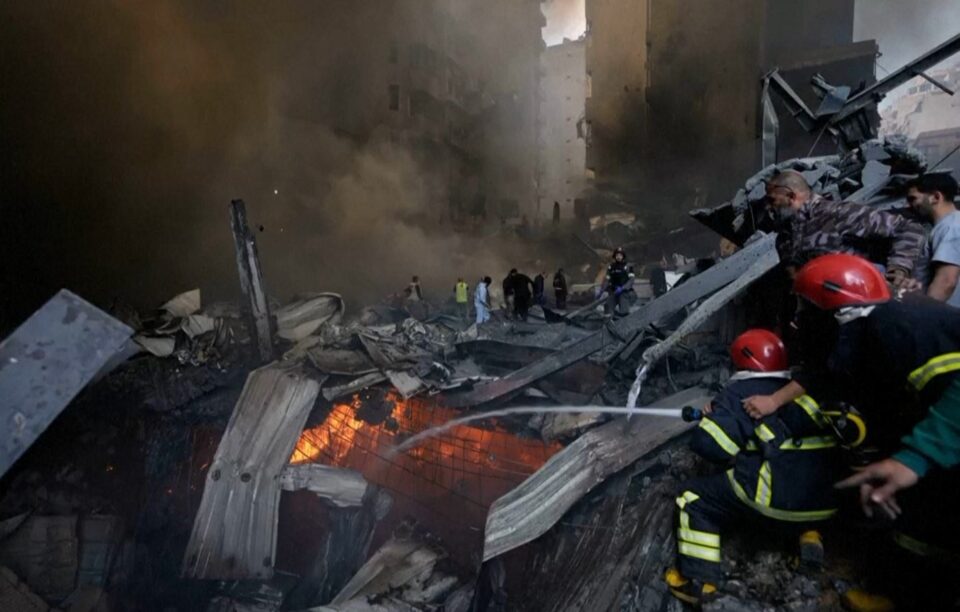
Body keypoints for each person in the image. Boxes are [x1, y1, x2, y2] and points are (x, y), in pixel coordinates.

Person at [665, 330, 841, 606]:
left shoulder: (741, 392)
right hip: (823, 503)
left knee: (693, 499)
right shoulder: (801, 387)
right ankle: (809, 535)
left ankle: (698, 581)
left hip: (775, 500)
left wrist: (712, 420)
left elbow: (711, 447)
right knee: (798, 476)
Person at [765, 170, 924, 288]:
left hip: (861, 303)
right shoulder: (784, 239)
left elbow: (907, 228)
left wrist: (898, 269)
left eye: (772, 200)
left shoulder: (836, 213)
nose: (768, 208)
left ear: (790, 196)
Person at [907, 173, 960, 307]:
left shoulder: (951, 226)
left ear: (936, 197)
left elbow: (946, 280)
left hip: (939, 314)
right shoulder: (946, 226)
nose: (909, 205)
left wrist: (924, 314)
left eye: (913, 199)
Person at [605, 247, 635, 317]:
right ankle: (610, 320)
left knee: (624, 311)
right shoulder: (611, 267)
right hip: (613, 291)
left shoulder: (628, 266)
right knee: (607, 307)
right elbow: (607, 279)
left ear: (623, 256)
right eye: (617, 255)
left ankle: (624, 320)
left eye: (620, 255)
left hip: (624, 292)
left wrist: (623, 288)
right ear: (615, 256)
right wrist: (603, 289)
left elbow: (631, 280)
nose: (618, 257)